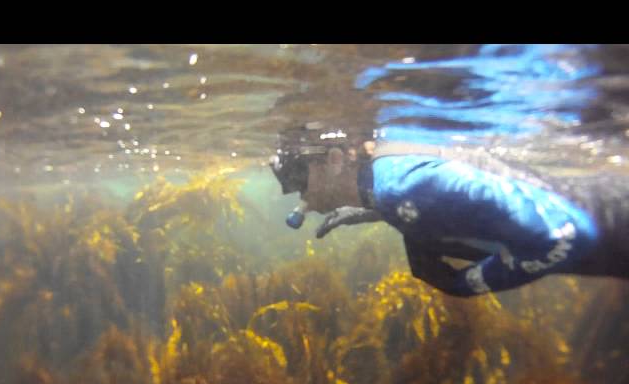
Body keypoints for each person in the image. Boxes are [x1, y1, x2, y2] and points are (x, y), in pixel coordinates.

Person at [269, 127, 629, 297]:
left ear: (334, 160)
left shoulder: (401, 188)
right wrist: (373, 209)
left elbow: (565, 234)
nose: (299, 194)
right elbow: (443, 196)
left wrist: (465, 284)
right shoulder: (388, 180)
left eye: (299, 178)